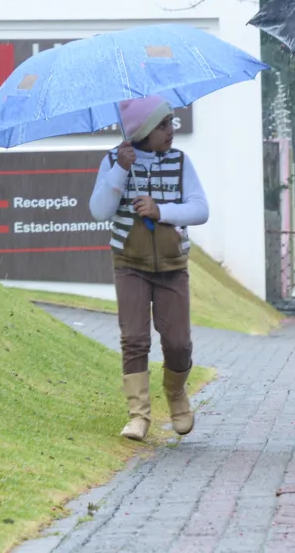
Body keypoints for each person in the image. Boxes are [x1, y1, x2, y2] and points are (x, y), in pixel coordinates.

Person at [89, 94, 209, 441]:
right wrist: (120, 170)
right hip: (130, 263)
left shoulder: (180, 162)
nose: (171, 130)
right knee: (135, 339)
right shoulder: (115, 160)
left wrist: (162, 211)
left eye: (171, 122)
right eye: (162, 125)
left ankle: (175, 395)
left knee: (177, 343)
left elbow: (200, 209)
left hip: (172, 264)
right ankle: (138, 414)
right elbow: (99, 210)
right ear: (141, 129)